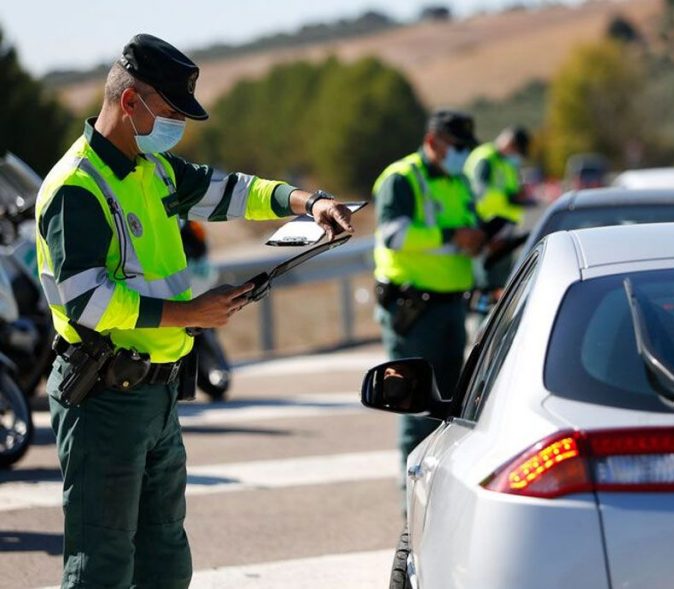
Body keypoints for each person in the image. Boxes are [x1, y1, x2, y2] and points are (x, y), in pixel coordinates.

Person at [36, 34, 355, 589]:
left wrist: (310, 202)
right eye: (171, 112)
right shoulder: (77, 187)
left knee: (165, 563)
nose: (177, 125)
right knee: (101, 569)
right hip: (104, 400)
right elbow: (87, 301)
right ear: (130, 101)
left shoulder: (151, 166)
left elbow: (229, 190)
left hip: (156, 394)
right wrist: (191, 314)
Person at [372, 110, 486, 475]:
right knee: (416, 412)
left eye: (466, 148)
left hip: (452, 306)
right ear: (433, 142)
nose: (462, 154)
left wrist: (478, 240)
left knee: (451, 414)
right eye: (457, 146)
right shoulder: (402, 178)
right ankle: (411, 524)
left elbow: (468, 225)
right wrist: (453, 237)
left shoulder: (460, 181)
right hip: (414, 310)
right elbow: (394, 235)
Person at [464, 126, 531, 296]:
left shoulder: (506, 163)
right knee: (487, 287)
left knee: (501, 287)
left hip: (504, 232)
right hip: (487, 232)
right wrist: (510, 198)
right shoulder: (486, 158)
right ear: (510, 143)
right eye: (517, 151)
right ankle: (483, 320)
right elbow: (479, 192)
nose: (517, 157)